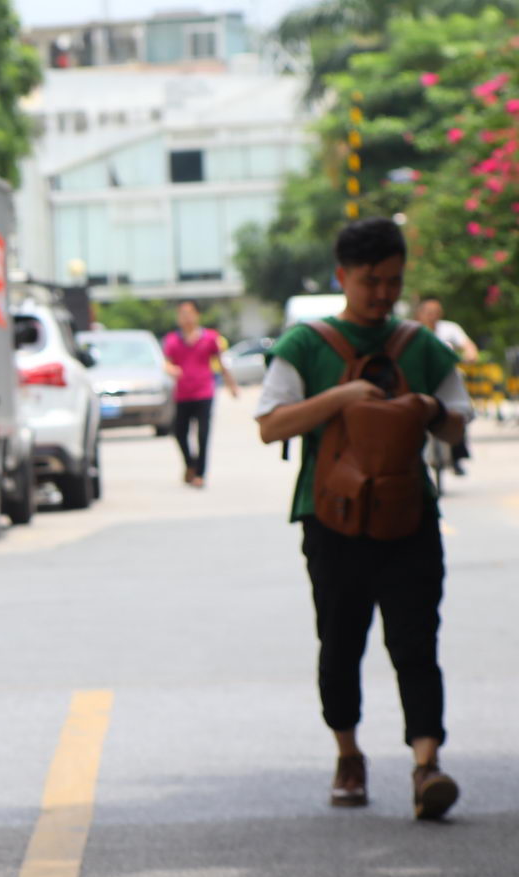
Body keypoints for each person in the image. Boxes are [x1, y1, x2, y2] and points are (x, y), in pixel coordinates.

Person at [256, 218, 473, 820]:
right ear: (342, 276)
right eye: (370, 281)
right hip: (331, 521)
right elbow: (271, 424)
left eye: (393, 282)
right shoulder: (305, 345)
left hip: (410, 518)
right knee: (340, 643)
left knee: (416, 643)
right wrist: (341, 399)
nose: (382, 294)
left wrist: (429, 407)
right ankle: (348, 754)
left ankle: (426, 765)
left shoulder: (422, 347)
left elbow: (458, 422)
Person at [162, 299, 239, 488]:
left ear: (197, 315)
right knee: (180, 433)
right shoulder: (172, 339)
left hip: (204, 392)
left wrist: (231, 385)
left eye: (190, 313)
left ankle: (200, 474)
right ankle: (190, 464)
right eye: (182, 313)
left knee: (203, 434)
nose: (186, 317)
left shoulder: (210, 338)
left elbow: (221, 363)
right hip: (182, 394)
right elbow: (166, 362)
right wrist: (171, 369)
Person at [415, 297, 478, 475]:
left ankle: (457, 456)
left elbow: (468, 346)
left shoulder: (449, 329)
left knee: (459, 412)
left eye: (436, 312)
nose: (432, 316)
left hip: (446, 381)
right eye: (429, 312)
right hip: (422, 385)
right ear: (420, 314)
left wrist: (469, 355)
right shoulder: (412, 334)